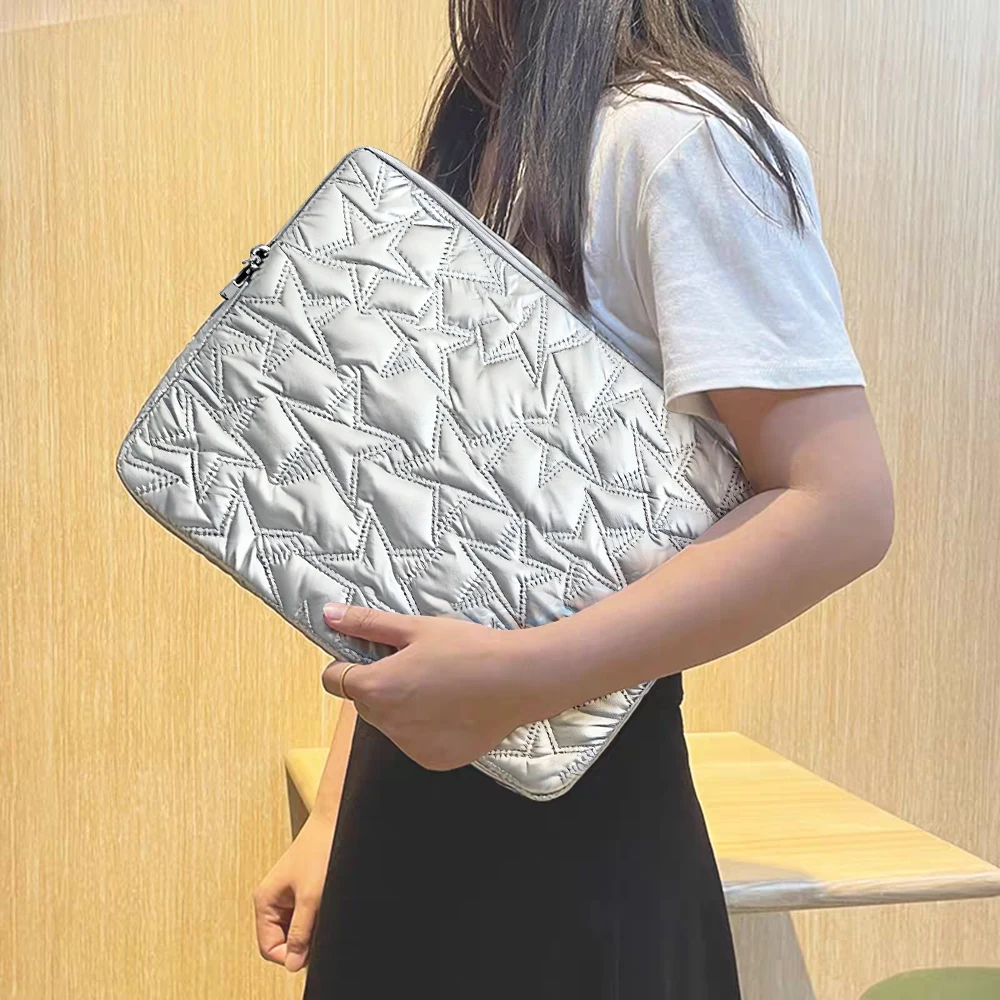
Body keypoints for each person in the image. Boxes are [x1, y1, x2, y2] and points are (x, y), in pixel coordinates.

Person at [254, 1, 895, 996]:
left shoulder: (679, 137)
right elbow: (433, 541)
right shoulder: (493, 135)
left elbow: (842, 505)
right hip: (406, 817)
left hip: (578, 847)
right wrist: (338, 810)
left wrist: (522, 678)